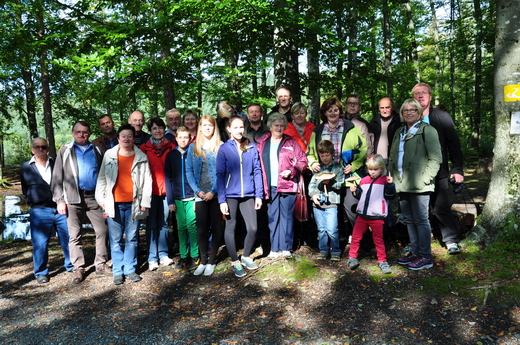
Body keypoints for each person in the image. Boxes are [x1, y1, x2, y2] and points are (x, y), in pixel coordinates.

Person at [51, 121, 111, 284]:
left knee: (102, 230)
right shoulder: (65, 150)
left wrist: (104, 197)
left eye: (85, 132)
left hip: (94, 197)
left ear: (89, 133)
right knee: (74, 234)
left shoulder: (97, 149)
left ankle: (100, 263)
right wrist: (59, 200)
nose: (81, 135)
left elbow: (103, 174)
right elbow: (57, 177)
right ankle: (79, 267)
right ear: (72, 133)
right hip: (72, 197)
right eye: (78, 132)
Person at [388, 99, 442, 270]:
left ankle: (425, 256)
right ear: (402, 113)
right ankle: (415, 251)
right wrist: (391, 175)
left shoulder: (428, 130)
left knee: (421, 220)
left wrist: (425, 179)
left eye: (413, 110)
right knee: (409, 220)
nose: (409, 112)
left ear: (419, 112)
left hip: (420, 185)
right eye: (406, 110)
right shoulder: (399, 132)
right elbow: (393, 156)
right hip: (401, 184)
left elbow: (436, 158)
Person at [95, 124, 152, 285]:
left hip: (134, 203)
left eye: (129, 136)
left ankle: (130, 269)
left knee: (133, 238)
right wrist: (101, 201)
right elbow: (102, 179)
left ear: (133, 138)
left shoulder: (141, 156)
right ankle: (118, 271)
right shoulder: (110, 155)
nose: (126, 139)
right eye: (123, 136)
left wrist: (145, 201)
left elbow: (148, 180)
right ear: (118, 138)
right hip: (113, 203)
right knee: (115, 239)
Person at [412, 82, 465, 254]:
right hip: (414, 174)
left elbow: (454, 145)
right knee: (417, 210)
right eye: (417, 93)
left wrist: (457, 168)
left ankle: (450, 240)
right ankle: (417, 242)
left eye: (424, 93)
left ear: (430, 96)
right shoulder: (408, 117)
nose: (420, 96)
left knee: (441, 206)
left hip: (439, 172)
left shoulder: (442, 117)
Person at [307, 97, 367, 239]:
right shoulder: (318, 131)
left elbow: (363, 149)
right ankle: (336, 241)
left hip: (346, 174)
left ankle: (361, 239)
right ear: (325, 113)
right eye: (329, 110)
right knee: (332, 208)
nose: (333, 113)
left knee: (351, 208)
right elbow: (310, 152)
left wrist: (354, 166)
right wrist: (312, 163)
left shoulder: (350, 128)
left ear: (340, 111)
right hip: (325, 175)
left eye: (336, 110)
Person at [20, 138, 73, 284]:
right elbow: (25, 188)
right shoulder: (25, 167)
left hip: (60, 208)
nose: (40, 149)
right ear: (32, 149)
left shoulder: (56, 163)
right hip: (39, 211)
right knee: (40, 244)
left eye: (43, 147)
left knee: (68, 239)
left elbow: (64, 182)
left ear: (48, 149)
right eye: (37, 147)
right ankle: (41, 272)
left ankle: (71, 265)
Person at [217, 116, 263, 277]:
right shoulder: (224, 149)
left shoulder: (251, 146)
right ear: (229, 129)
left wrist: (259, 195)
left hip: (249, 194)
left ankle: (245, 256)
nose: (239, 130)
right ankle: (235, 261)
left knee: (253, 228)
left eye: (241, 127)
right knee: (231, 227)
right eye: (235, 127)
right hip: (230, 194)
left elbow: (257, 171)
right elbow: (220, 175)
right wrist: (221, 200)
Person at [256, 113, 308, 259]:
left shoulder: (290, 142)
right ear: (270, 126)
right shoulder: (262, 143)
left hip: (287, 185)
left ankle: (286, 248)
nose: (279, 128)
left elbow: (303, 162)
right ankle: (274, 248)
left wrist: (291, 171)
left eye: (281, 125)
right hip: (269, 186)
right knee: (273, 218)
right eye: (276, 125)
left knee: (286, 217)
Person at [186, 115, 223, 276]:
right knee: (200, 229)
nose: (207, 128)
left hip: (215, 194)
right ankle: (203, 260)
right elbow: (188, 171)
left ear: (214, 128)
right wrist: (198, 191)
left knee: (216, 226)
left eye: (210, 125)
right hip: (199, 195)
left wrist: (212, 192)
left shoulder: (220, 146)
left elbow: (223, 172)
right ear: (199, 127)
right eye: (204, 125)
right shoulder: (193, 147)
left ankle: (212, 260)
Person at [348, 154, 396, 274]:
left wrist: (390, 185)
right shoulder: (364, 180)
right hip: (362, 215)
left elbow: (391, 196)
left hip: (377, 216)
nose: (372, 172)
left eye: (375, 169)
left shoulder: (385, 181)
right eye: (370, 169)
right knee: (356, 237)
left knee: (378, 239)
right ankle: (352, 257)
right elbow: (361, 196)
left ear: (381, 169)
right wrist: (355, 191)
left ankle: (382, 261)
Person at [139, 118, 176, 271]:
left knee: (165, 223)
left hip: (167, 192)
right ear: (150, 131)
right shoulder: (143, 149)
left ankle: (163, 254)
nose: (158, 131)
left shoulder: (171, 147)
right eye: (154, 128)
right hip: (150, 192)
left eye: (160, 128)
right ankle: (152, 257)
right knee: (151, 224)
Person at [165, 126, 199, 271]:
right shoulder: (171, 155)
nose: (183, 140)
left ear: (190, 138)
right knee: (181, 227)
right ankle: (183, 255)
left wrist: (198, 197)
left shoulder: (194, 154)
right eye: (181, 137)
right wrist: (170, 200)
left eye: (186, 137)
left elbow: (198, 176)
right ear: (176, 139)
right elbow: (168, 179)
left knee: (192, 226)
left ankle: (195, 255)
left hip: (192, 197)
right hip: (178, 198)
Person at [308, 140, 344, 261]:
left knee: (332, 229)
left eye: (327, 155)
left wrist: (331, 182)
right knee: (321, 229)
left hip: (331, 203)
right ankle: (323, 249)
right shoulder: (318, 169)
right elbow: (311, 185)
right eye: (322, 156)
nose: (324, 158)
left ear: (332, 154)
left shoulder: (337, 168)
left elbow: (340, 184)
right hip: (318, 203)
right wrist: (313, 195)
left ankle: (335, 250)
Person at [370, 97, 402, 164]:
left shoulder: (400, 121)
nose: (384, 110)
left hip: (394, 161)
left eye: (387, 107)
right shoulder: (374, 121)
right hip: (376, 162)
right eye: (382, 108)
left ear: (393, 107)